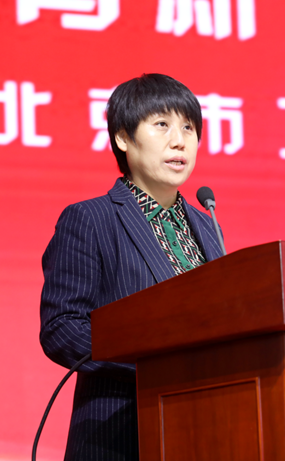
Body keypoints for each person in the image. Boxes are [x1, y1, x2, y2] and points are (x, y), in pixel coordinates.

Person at [39, 73, 224, 460]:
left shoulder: (208, 226)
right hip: (120, 435)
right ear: (123, 137)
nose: (180, 141)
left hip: (206, 430)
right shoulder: (91, 219)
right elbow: (63, 329)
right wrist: (157, 365)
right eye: (162, 125)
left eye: (188, 128)